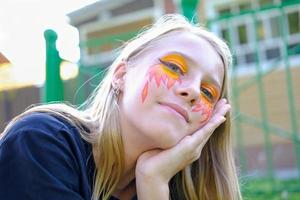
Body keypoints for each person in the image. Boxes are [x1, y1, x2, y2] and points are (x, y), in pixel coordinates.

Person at [0, 14, 242, 200]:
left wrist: (154, 184)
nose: (193, 91)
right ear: (121, 75)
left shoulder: (177, 189)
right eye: (174, 67)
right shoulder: (39, 143)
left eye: (208, 92)